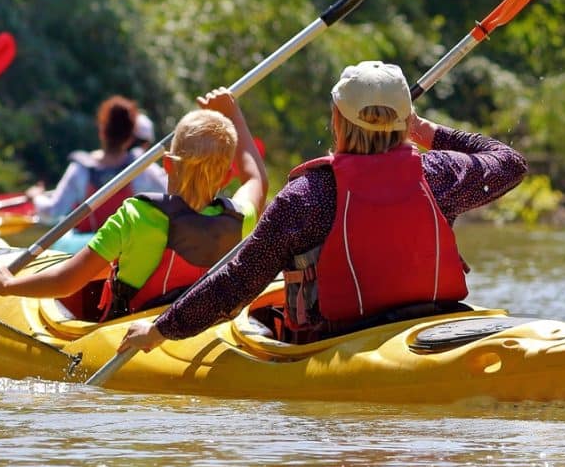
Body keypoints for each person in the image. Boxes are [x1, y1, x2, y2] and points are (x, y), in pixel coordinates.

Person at [119, 60, 528, 351]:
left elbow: (239, 280)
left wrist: (160, 330)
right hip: (434, 322)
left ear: (337, 120)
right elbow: (509, 162)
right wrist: (426, 131)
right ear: (405, 121)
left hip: (339, 340)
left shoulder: (308, 197)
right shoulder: (439, 174)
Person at [0, 87, 268, 322]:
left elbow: (66, 282)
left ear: (167, 164)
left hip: (131, 330)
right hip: (197, 330)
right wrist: (232, 113)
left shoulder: (136, 215)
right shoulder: (240, 217)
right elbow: (256, 178)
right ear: (228, 174)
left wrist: (8, 285)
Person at [28, 96, 168, 233]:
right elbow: (169, 195)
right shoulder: (142, 168)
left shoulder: (80, 170)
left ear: (102, 131)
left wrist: (37, 197)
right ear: (130, 137)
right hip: (127, 248)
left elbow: (52, 212)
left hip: (87, 250)